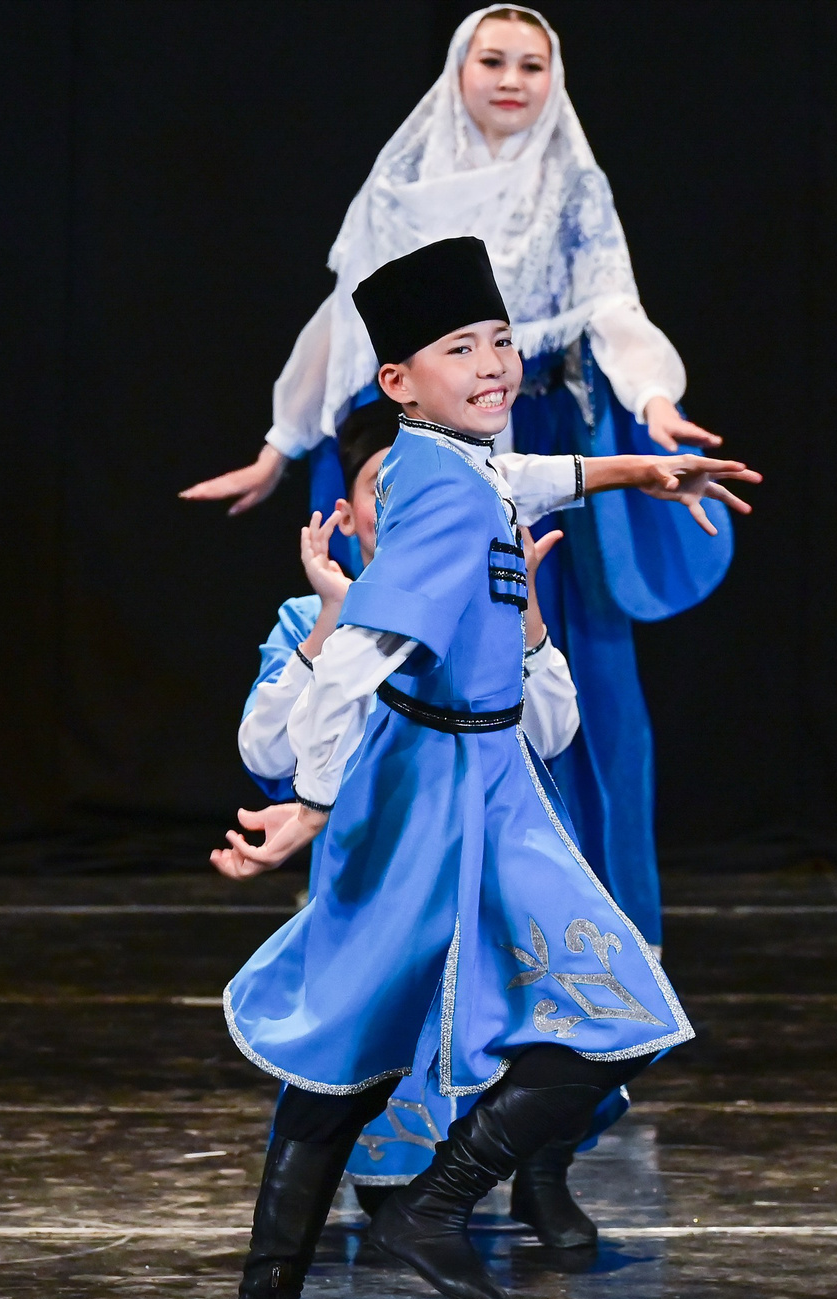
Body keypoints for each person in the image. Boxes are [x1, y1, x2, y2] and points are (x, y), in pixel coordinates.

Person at [206, 237, 753, 1299]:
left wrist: (630, 471)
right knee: (610, 1017)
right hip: (440, 786)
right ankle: (427, 1207)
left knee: (364, 1060)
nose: (494, 363)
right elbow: (364, 645)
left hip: (478, 775)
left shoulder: (442, 466)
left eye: (501, 340)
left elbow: (526, 478)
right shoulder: (449, 493)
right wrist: (309, 800)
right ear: (399, 381)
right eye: (460, 349)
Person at [181, 4, 726, 943]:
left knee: (539, 676)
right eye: (493, 61)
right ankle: (393, 908)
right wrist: (281, 443)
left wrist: (651, 411)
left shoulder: (569, 185)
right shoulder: (404, 184)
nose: (512, 80)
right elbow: (342, 320)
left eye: (531, 65)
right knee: (399, 653)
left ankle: (562, 929)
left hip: (525, 428)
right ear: (458, 70)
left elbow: (609, 316)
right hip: (417, 439)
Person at [227, 396, 714, 1248]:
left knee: (556, 1020)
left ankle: (534, 1176)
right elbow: (265, 748)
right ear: (351, 511)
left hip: (487, 868)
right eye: (380, 489)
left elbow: (551, 731)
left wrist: (528, 614)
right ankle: (319, 1260)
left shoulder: (481, 597)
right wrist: (333, 620)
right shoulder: (315, 618)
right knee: (362, 1058)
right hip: (384, 879)